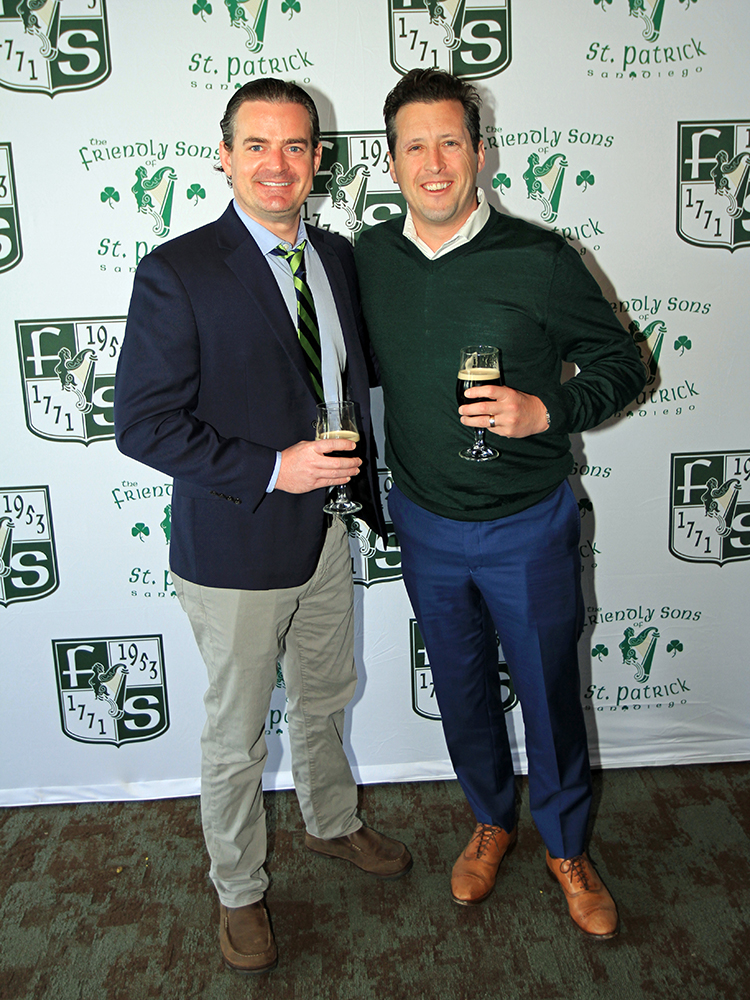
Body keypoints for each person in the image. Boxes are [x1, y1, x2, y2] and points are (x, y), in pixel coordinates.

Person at [114, 79, 411, 976]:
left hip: (327, 532)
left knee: (325, 696)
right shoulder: (178, 269)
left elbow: (358, 376)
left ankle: (331, 822)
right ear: (225, 155)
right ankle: (239, 888)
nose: (277, 165)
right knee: (238, 733)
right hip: (236, 543)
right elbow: (143, 425)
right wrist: (274, 468)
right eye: (257, 145)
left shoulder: (338, 255)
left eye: (294, 146)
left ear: (317, 158)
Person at [355, 69, 646, 940]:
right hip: (426, 523)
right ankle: (490, 820)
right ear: (392, 162)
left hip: (528, 523)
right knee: (461, 689)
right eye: (415, 146)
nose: (434, 164)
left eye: (451, 142)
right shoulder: (369, 259)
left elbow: (625, 364)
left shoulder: (542, 259)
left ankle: (567, 847)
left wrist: (545, 410)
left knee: (551, 693)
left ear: (480, 154)